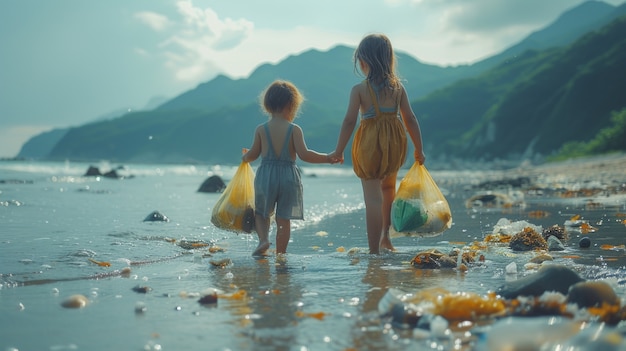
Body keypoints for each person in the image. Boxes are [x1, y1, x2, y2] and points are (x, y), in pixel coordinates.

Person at [329, 34, 426, 254]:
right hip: (394, 146)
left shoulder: (359, 90)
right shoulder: (397, 88)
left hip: (369, 147)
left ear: (365, 61)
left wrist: (339, 150)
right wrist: (419, 149)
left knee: (372, 199)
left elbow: (349, 121)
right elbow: (410, 119)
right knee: (388, 188)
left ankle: (374, 251)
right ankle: (386, 237)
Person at [243, 80, 335, 256]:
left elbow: (253, 155)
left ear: (268, 105)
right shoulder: (294, 130)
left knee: (262, 213)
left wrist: (245, 156)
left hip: (266, 176)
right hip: (288, 177)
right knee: (283, 219)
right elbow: (305, 154)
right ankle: (281, 254)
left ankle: (263, 241)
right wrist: (327, 158)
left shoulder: (262, 129)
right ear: (292, 105)